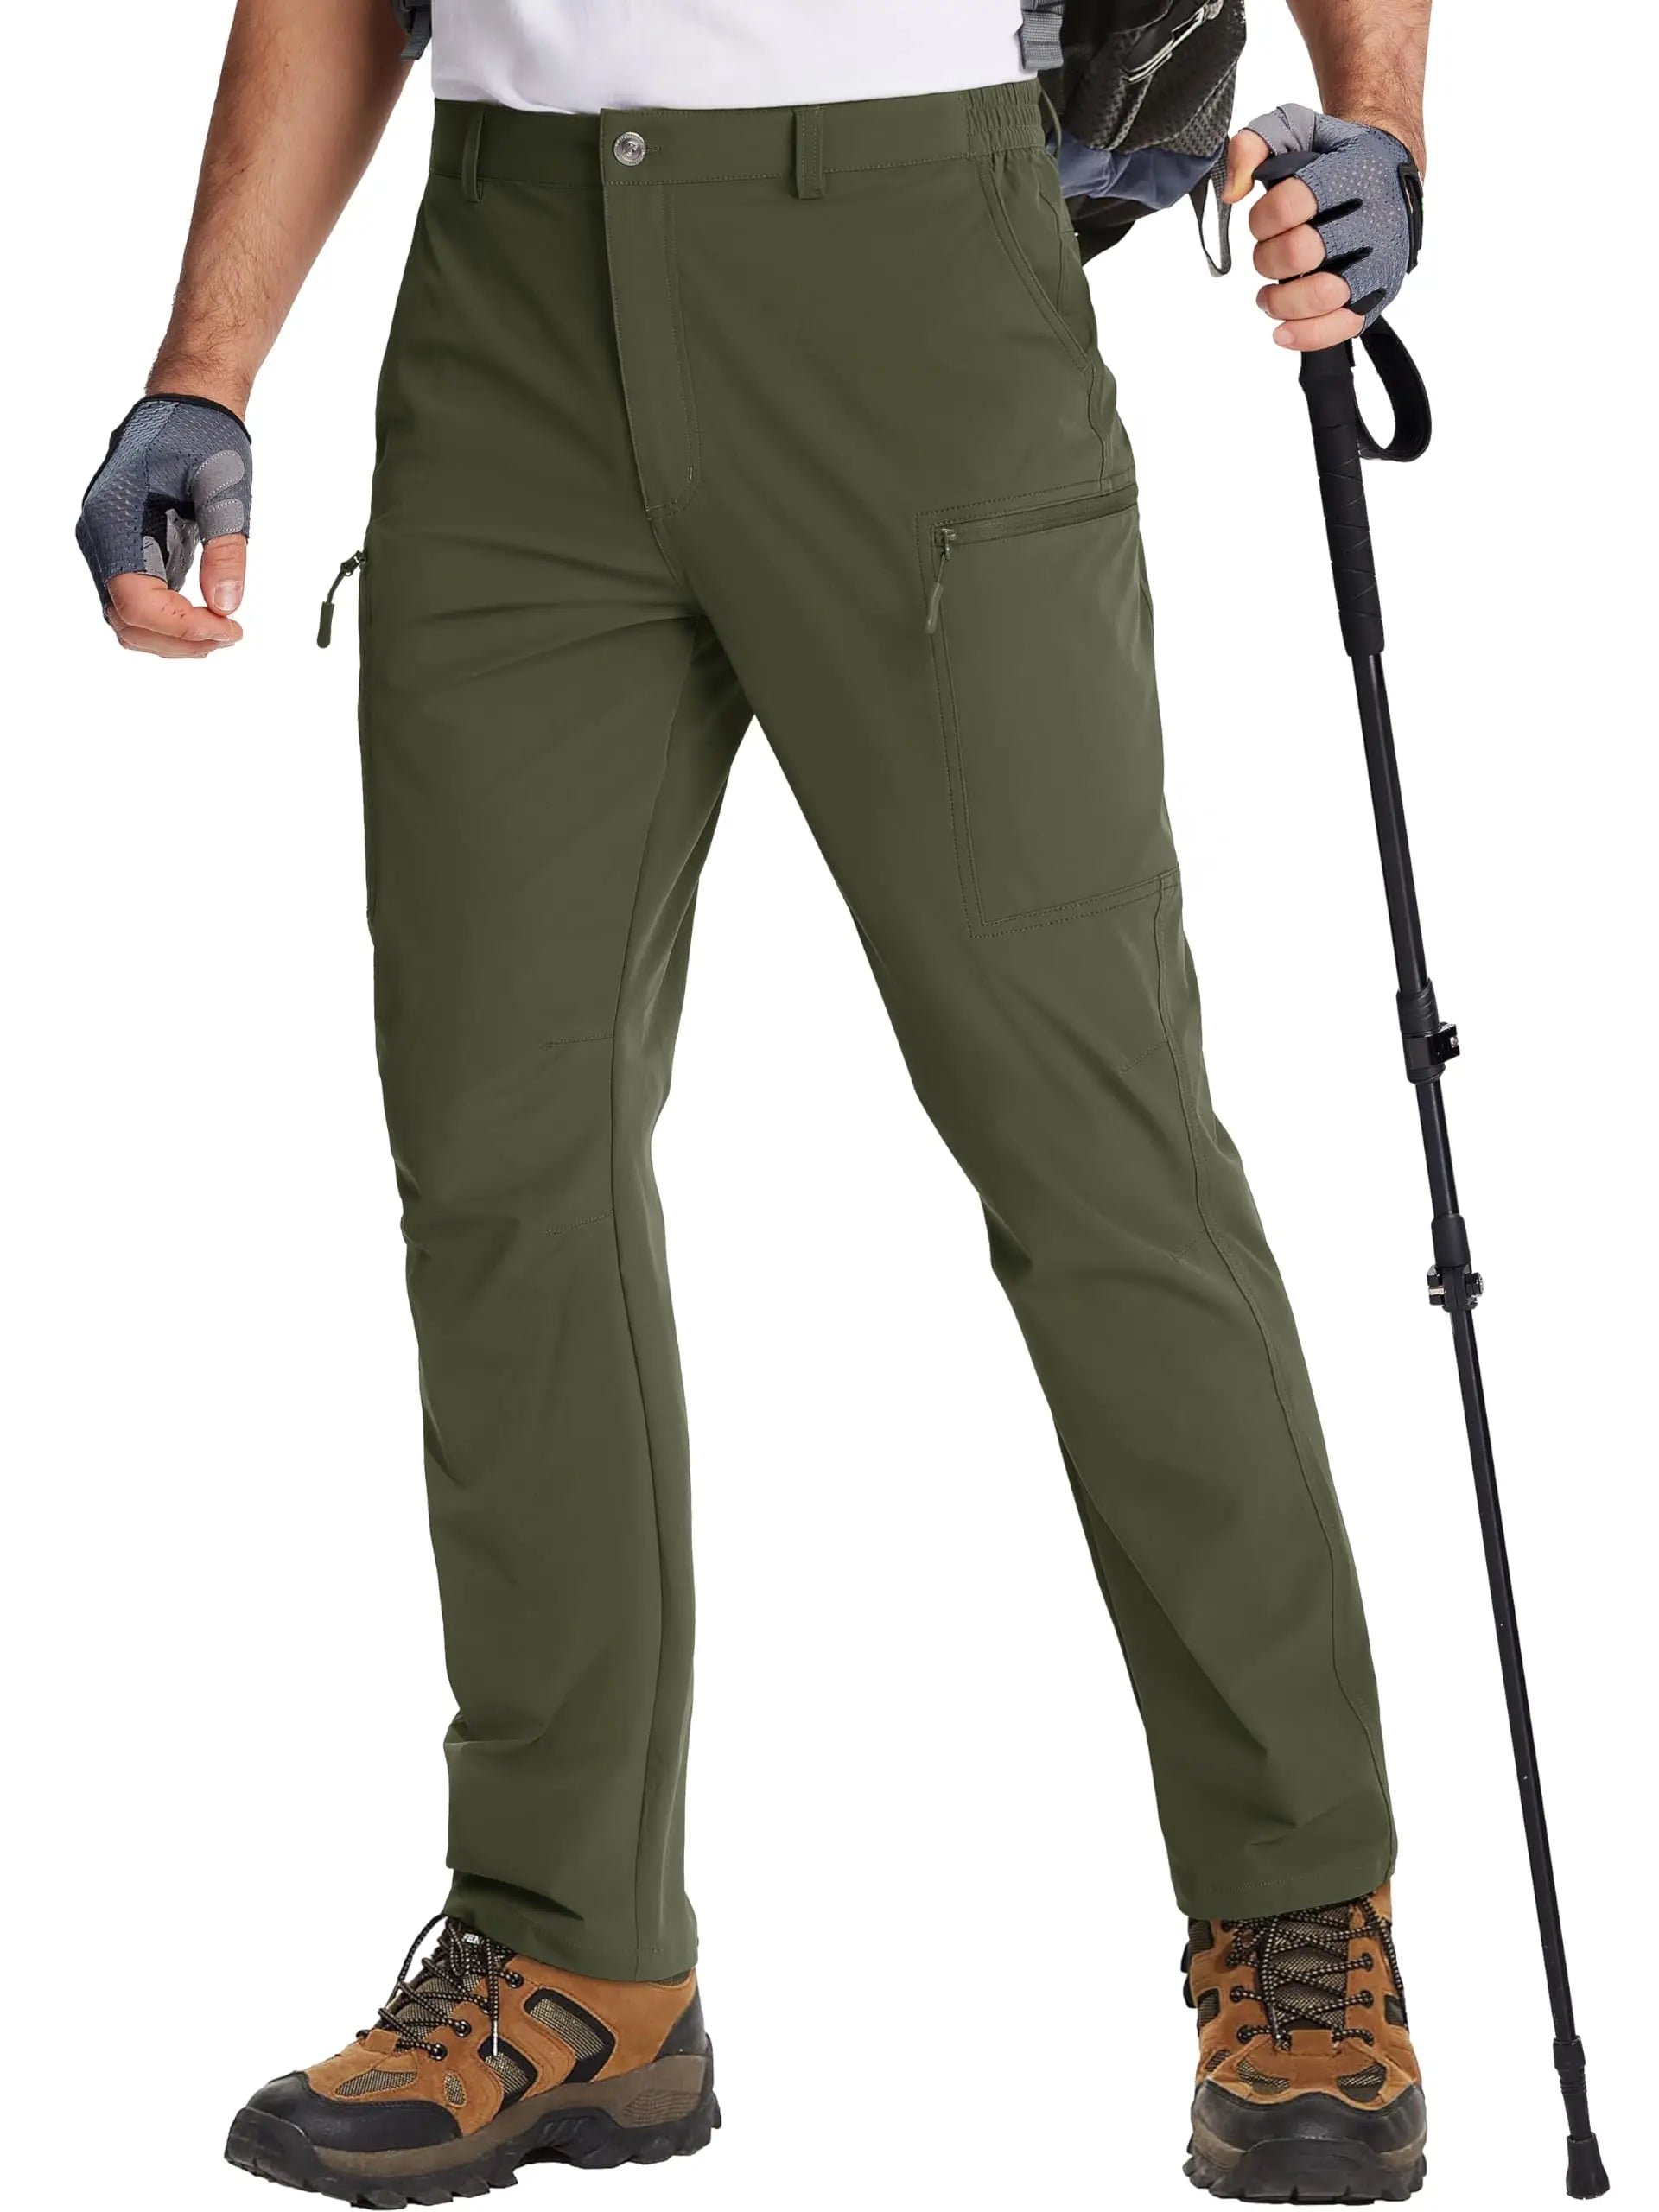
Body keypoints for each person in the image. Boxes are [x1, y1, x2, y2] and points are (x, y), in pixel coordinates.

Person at [76, 3, 1434, 2202]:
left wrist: (1383, 132)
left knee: (1093, 1141)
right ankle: (572, 1950)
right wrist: (205, 365)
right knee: (500, 1163)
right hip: (512, 298)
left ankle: (1301, 1915)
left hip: (919, 268)